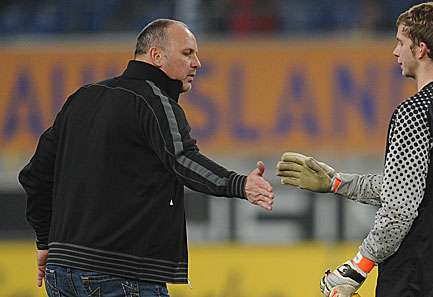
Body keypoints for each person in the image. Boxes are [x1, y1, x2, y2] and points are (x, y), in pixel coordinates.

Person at [19, 19, 274, 297]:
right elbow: (183, 159)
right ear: (156, 55)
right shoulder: (154, 101)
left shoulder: (82, 98)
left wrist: (46, 242)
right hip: (121, 274)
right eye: (187, 53)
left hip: (61, 274)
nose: (197, 63)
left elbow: (34, 176)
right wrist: (239, 184)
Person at [276, 2, 433, 297]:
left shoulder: (416, 109)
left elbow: (400, 208)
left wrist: (357, 267)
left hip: (415, 278)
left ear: (421, 48)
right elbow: (414, 188)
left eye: (401, 42)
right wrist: (338, 182)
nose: (395, 51)